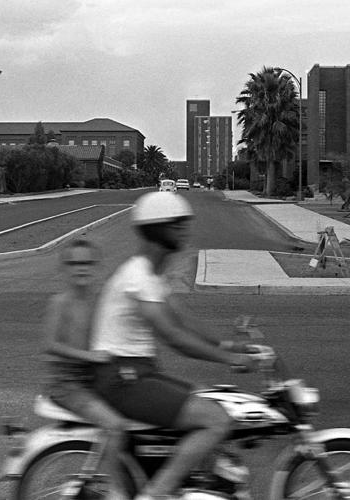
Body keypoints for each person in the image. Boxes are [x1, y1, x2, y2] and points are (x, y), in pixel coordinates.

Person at [90, 192, 257, 500]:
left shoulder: (151, 276)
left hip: (136, 373)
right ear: (157, 230)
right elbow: (174, 337)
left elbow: (184, 320)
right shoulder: (137, 277)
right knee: (216, 420)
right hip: (122, 379)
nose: (185, 231)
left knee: (205, 396)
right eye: (177, 225)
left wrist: (230, 343)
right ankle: (155, 494)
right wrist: (229, 358)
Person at [43, 239, 129, 499]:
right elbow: (49, 344)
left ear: (97, 267)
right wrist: (89, 356)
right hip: (67, 384)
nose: (81, 269)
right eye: (75, 263)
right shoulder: (60, 302)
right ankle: (117, 491)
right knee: (115, 426)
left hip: (95, 378)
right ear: (64, 268)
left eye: (87, 263)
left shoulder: (100, 301)